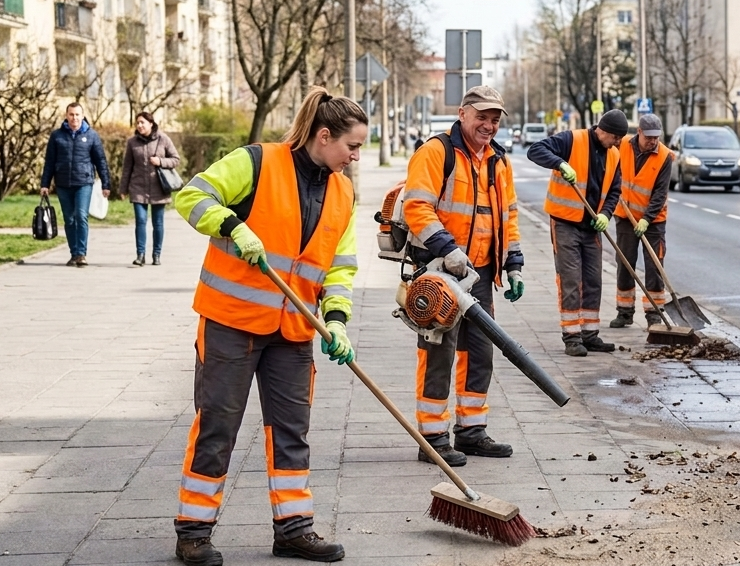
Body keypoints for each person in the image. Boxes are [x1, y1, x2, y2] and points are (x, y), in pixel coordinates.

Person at [170, 87, 366, 565]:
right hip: (231, 323)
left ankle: (294, 529)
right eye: (352, 146)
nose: (356, 155)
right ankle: (193, 532)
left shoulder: (343, 191)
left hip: (294, 330)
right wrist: (231, 226)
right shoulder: (257, 162)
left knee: (292, 431)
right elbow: (191, 194)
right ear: (324, 136)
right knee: (218, 425)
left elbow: (340, 266)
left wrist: (337, 321)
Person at [401, 86, 523, 467]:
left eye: (495, 119)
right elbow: (416, 206)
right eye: (482, 116)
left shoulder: (499, 162)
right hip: (441, 271)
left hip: (481, 273)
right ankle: (433, 437)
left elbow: (509, 215)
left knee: (480, 353)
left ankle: (471, 431)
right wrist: (446, 248)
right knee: (440, 352)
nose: (489, 125)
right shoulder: (436, 152)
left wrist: (513, 261)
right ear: (462, 113)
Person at [527, 110, 628, 356]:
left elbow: (615, 190)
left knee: (593, 280)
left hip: (591, 225)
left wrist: (605, 213)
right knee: (571, 279)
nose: (618, 143)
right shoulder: (572, 139)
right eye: (615, 138)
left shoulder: (614, 155)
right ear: (602, 130)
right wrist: (559, 163)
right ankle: (572, 336)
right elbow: (535, 150)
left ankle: (590, 334)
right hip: (565, 221)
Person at [609, 114, 674, 330]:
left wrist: (646, 219)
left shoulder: (665, 156)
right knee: (625, 263)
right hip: (625, 217)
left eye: (656, 137)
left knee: (654, 265)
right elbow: (610, 168)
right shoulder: (622, 145)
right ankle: (624, 312)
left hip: (653, 221)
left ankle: (654, 315)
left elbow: (659, 193)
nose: (653, 141)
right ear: (639, 132)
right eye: (649, 137)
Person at [39, 103, 111, 267]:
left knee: (81, 215)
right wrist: (45, 183)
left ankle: (81, 254)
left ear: (83, 115)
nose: (74, 118)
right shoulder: (57, 136)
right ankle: (73, 253)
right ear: (66, 115)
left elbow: (100, 161)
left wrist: (106, 184)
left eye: (77, 114)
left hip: (84, 182)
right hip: (63, 183)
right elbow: (49, 161)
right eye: (71, 114)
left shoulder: (91, 135)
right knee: (69, 219)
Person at [121, 111, 182, 266]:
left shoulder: (163, 139)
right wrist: (123, 188)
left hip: (158, 187)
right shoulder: (132, 142)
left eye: (142, 122)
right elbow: (127, 167)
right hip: (138, 187)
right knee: (140, 221)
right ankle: (140, 255)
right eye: (137, 123)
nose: (139, 125)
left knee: (158, 223)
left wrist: (160, 161)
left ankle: (156, 254)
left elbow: (176, 159)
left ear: (151, 124)